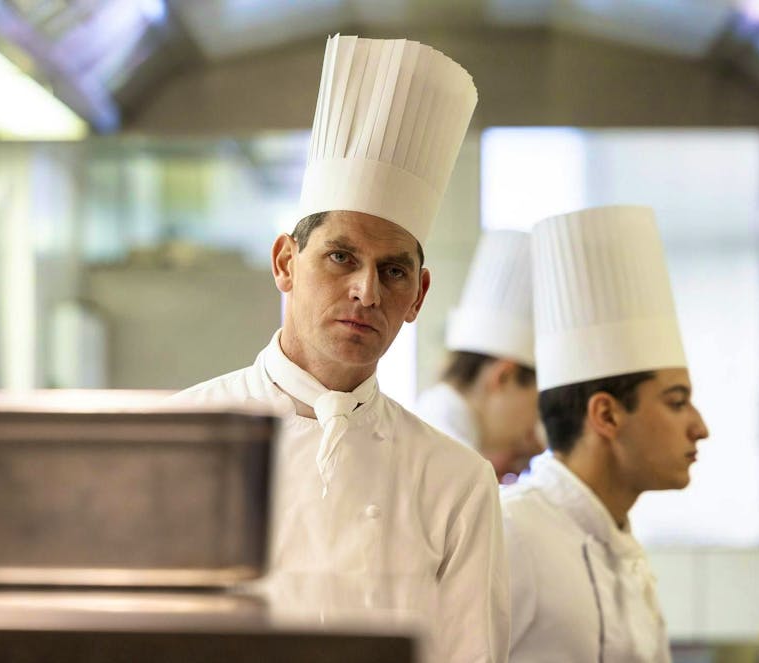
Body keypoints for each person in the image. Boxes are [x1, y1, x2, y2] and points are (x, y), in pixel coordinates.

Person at [168, 35, 509, 663]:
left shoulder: (455, 484)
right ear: (285, 263)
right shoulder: (181, 437)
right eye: (341, 256)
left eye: (393, 271)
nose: (365, 290)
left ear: (419, 296)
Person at [502, 205, 710, 662]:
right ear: (607, 416)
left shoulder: (622, 545)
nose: (701, 428)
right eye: (676, 402)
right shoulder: (511, 533)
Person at [415, 229, 543, 483]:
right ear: (504, 376)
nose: (535, 428)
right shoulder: (452, 464)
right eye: (537, 405)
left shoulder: (436, 434)